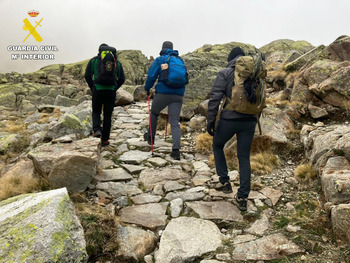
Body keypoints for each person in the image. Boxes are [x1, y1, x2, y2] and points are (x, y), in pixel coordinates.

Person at [206, 47, 258, 211]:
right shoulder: (254, 72)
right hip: (250, 120)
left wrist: (210, 120)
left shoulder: (225, 73)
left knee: (217, 145)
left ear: (230, 59)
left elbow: (215, 97)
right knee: (243, 156)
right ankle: (243, 197)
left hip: (229, 119)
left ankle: (225, 182)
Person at [144, 41, 188, 160]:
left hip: (163, 93)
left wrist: (147, 88)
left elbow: (152, 76)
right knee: (174, 121)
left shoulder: (160, 59)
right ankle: (176, 151)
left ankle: (151, 138)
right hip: (178, 95)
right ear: (172, 48)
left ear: (163, 48)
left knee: (154, 113)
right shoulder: (180, 60)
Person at [85, 43, 125, 146]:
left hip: (97, 90)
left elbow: (87, 75)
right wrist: (115, 88)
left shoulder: (94, 60)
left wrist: (93, 87)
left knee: (96, 111)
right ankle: (105, 139)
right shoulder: (116, 63)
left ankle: (97, 129)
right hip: (110, 91)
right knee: (108, 115)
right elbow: (122, 78)